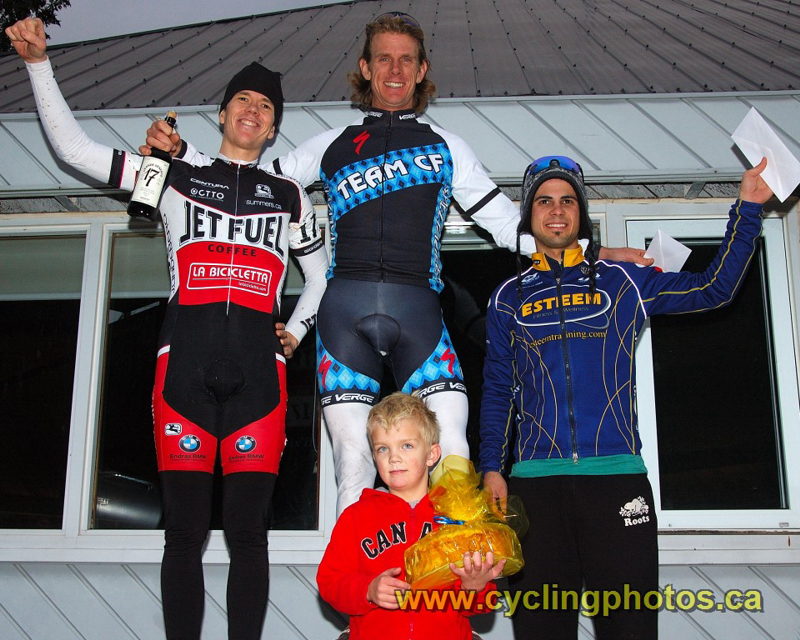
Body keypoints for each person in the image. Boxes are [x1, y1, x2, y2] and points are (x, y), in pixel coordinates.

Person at [144, 13, 650, 517]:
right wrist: (179, 156)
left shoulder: (448, 145)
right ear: (365, 67)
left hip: (419, 313)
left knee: (452, 439)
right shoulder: (331, 143)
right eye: (383, 57)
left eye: (406, 59)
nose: (395, 68)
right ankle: (356, 586)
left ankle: (457, 563)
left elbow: (507, 225)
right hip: (343, 315)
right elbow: (252, 181)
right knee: (352, 463)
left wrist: (595, 253)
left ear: (422, 69)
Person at [6, 17, 328, 640]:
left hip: (261, 381)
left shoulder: (290, 193)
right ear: (223, 112)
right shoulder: (174, 172)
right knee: (183, 530)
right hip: (182, 369)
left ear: (274, 123)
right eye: (243, 100)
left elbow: (321, 276)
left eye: (266, 106)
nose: (254, 111)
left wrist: (296, 330)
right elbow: (75, 152)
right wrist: (39, 65)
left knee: (249, 535)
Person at [479, 155, 772, 639]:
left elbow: (714, 288)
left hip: (617, 483)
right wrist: (492, 466)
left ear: (582, 212)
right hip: (535, 486)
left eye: (568, 200)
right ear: (530, 215)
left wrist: (748, 210)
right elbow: (496, 389)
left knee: (631, 630)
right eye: (545, 201)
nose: (557, 211)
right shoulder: (507, 296)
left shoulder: (624, 282)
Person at [317, 391, 505, 640]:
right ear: (374, 456)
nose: (394, 457)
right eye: (383, 448)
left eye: (407, 445)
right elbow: (329, 582)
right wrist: (368, 590)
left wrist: (475, 586)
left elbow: (481, 604)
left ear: (431, 454)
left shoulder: (457, 517)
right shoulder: (356, 516)